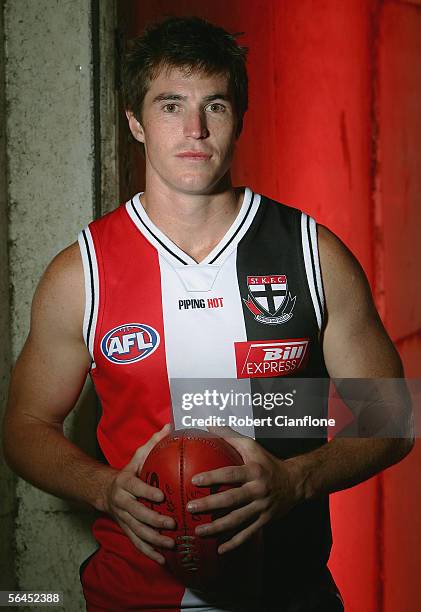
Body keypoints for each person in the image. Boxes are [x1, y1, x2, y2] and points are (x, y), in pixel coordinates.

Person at [3, 16, 414, 612]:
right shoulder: (83, 273)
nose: (194, 129)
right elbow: (24, 426)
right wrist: (104, 489)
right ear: (135, 122)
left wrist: (297, 479)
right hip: (133, 596)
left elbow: (393, 417)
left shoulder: (310, 253)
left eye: (214, 106)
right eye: (170, 105)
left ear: (238, 118)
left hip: (288, 593)